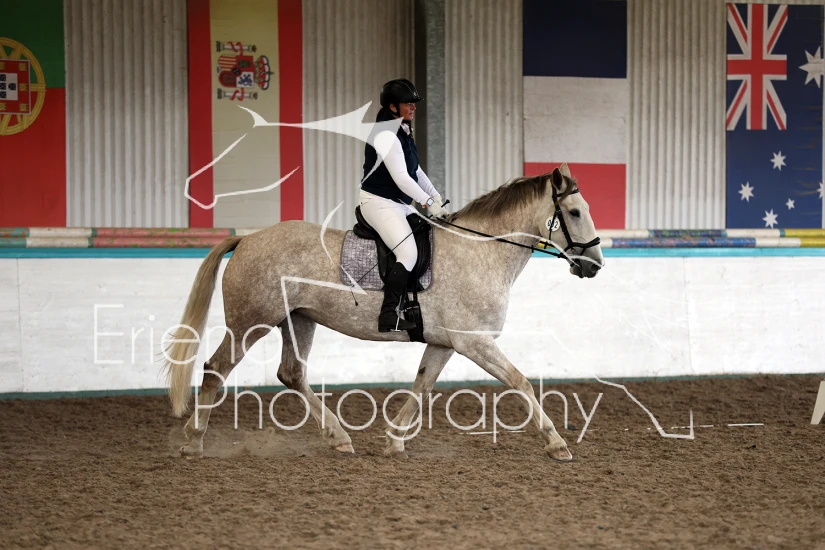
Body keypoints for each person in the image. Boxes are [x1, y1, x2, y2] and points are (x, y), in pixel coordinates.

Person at [360, 78, 449, 332]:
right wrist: (427, 202)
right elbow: (401, 178)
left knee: (427, 236)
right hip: (378, 202)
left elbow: (415, 170)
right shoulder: (385, 134)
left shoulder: (402, 130)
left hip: (398, 203)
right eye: (408, 103)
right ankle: (388, 314)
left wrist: (436, 196)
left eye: (414, 102)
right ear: (392, 106)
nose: (414, 107)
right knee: (408, 253)